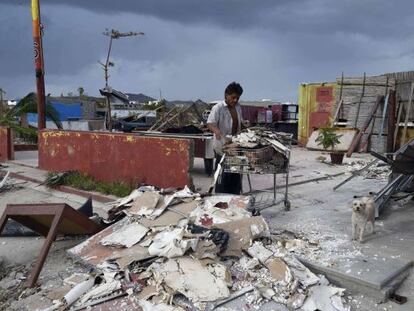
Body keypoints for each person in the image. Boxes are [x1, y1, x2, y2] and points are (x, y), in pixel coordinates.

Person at [207, 82, 244, 194]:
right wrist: (218, 132)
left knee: (235, 175)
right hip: (222, 147)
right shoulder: (218, 108)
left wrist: (244, 123)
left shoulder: (238, 107)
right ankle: (220, 199)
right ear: (226, 95)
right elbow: (210, 123)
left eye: (237, 98)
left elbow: (239, 122)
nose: (235, 100)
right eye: (233, 97)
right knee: (222, 176)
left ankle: (234, 197)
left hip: (235, 147)